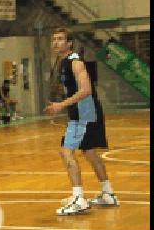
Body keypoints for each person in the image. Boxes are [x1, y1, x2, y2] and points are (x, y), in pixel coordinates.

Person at [44, 28, 119, 215]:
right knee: (90, 152)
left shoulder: (75, 62)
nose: (56, 42)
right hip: (85, 114)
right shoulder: (64, 63)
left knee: (66, 151)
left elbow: (86, 90)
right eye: (54, 39)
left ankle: (79, 199)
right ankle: (108, 193)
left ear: (69, 43)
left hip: (85, 115)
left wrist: (61, 105)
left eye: (60, 39)